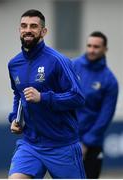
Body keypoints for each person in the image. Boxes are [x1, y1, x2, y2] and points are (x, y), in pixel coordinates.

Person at [7, 9, 86, 179]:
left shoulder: (58, 61)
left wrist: (43, 97)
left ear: (43, 32)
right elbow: (18, 94)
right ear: (19, 30)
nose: (28, 30)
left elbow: (78, 97)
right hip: (31, 144)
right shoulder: (14, 64)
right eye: (24, 26)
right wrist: (15, 117)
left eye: (33, 26)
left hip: (61, 146)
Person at [72, 31, 119, 179]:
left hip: (92, 145)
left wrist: (86, 143)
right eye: (89, 46)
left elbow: (105, 117)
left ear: (105, 49)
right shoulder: (72, 66)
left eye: (96, 47)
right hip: (68, 139)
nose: (92, 50)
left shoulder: (110, 81)